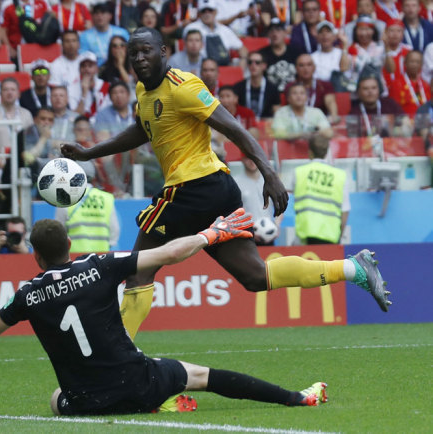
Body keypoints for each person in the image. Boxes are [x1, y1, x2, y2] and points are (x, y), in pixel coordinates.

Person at [61, 27, 391, 350]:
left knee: (138, 272)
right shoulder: (143, 92)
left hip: (193, 189)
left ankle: (116, 361)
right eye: (134, 52)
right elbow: (141, 130)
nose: (139, 58)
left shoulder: (183, 86)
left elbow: (232, 126)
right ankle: (353, 268)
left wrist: (268, 171)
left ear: (163, 52)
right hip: (213, 191)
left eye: (147, 50)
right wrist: (90, 153)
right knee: (255, 277)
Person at [0, 216, 330, 415]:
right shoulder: (98, 265)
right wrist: (210, 234)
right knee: (200, 376)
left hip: (83, 401)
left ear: (35, 256)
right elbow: (168, 253)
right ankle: (296, 398)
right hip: (137, 382)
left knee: (55, 399)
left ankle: (161, 402)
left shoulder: (27, 295)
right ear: (69, 245)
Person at [290, 135, 350, 245]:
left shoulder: (299, 172)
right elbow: (345, 211)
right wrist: (339, 236)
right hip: (331, 236)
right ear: (327, 152)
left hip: (305, 235)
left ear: (310, 152)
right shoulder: (340, 176)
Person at [54, 164, 120, 252]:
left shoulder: (66, 198)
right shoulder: (106, 197)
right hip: (101, 258)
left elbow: (59, 232)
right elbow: (114, 231)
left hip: (75, 257)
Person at [0, 77, 34, 184]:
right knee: (8, 179)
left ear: (18, 94)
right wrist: (5, 167)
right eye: (6, 90)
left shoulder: (26, 114)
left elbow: (31, 142)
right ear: (0, 93)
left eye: (13, 90)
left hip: (22, 165)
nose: (9, 93)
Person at [94, 81, 135, 196]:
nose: (118, 96)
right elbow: (102, 138)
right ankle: (118, 191)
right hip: (115, 152)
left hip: (137, 152)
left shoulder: (137, 110)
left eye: (122, 92)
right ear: (110, 97)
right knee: (107, 156)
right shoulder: (103, 114)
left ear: (128, 95)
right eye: (114, 93)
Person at [232, 156, 280, 245]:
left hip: (268, 234)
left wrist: (276, 226)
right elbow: (232, 211)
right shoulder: (235, 182)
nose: (252, 161)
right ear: (242, 160)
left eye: (254, 158)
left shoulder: (270, 181)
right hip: (246, 235)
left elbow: (279, 206)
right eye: (248, 158)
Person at [183, 0, 247, 66]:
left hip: (223, 69)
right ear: (199, 13)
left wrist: (241, 67)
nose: (207, 13)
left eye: (210, 10)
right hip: (199, 69)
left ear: (215, 12)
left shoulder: (223, 29)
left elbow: (242, 49)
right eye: (203, 11)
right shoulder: (191, 28)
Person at [284, 54, 338, 120]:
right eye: (301, 65)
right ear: (296, 69)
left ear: (314, 67)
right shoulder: (290, 86)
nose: (305, 68)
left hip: (320, 122)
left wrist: (333, 116)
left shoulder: (325, 85)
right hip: (296, 122)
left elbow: (330, 102)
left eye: (309, 65)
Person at [259, 18, 304, 92]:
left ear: (285, 33)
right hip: (270, 95)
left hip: (294, 94)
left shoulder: (296, 52)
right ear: (268, 34)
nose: (274, 34)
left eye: (278, 30)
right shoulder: (262, 54)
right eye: (272, 31)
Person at [80, 3, 130, 67]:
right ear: (92, 16)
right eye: (96, 13)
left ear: (110, 16)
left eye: (103, 13)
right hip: (96, 71)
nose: (99, 16)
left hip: (120, 69)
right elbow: (83, 57)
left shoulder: (121, 32)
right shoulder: (85, 36)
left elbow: (130, 53)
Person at [233, 51, 281, 118]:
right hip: (243, 124)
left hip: (265, 125)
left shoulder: (272, 88)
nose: (253, 65)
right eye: (250, 62)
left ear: (264, 66)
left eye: (257, 62)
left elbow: (277, 112)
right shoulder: (238, 87)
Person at [68, 52, 111, 118]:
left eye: (90, 66)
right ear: (79, 69)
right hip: (83, 126)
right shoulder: (71, 88)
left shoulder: (107, 86)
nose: (86, 69)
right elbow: (75, 116)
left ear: (96, 68)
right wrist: (84, 93)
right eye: (83, 66)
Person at [388, 50, 431, 116]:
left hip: (425, 123)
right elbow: (393, 109)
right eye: (412, 61)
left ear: (421, 65)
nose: (414, 64)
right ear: (405, 63)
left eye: (417, 62)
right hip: (404, 123)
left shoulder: (426, 85)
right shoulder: (396, 84)